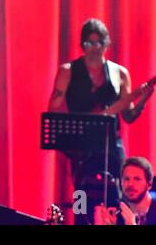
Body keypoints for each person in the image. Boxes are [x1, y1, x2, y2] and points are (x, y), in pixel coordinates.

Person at [48, 18, 154, 224]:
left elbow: (129, 116)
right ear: (82, 45)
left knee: (117, 197)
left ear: (107, 44)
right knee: (81, 198)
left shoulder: (120, 74)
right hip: (82, 149)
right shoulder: (68, 71)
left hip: (111, 147)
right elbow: (53, 110)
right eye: (89, 43)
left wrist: (143, 98)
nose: (94, 48)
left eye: (99, 43)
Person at [94, 156, 156, 225]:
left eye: (137, 179)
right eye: (126, 179)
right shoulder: (120, 215)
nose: (130, 184)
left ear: (149, 184)